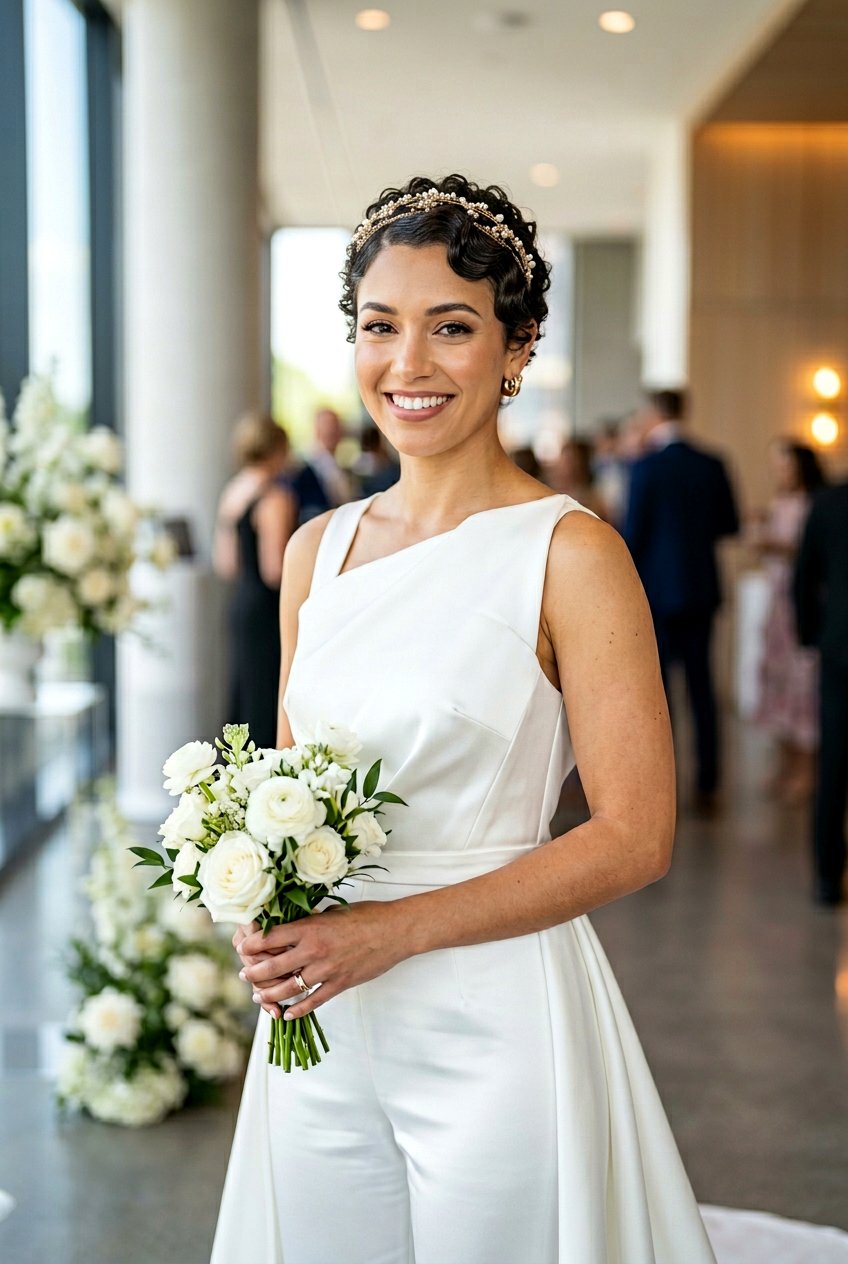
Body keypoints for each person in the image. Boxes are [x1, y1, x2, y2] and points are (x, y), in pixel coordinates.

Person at [212, 174, 716, 1264]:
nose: (409, 363)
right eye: (379, 326)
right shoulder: (316, 551)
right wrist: (260, 897)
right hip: (321, 1013)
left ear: (516, 346)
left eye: (450, 327)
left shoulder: (570, 553)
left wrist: (389, 932)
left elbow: (636, 835)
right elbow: (290, 786)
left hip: (492, 1018)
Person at [623, 389, 739, 812]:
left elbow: (633, 534)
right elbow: (730, 524)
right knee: (702, 689)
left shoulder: (645, 466)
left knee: (659, 694)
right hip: (700, 589)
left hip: (656, 593)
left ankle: (662, 785)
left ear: (656, 414)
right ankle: (708, 784)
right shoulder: (712, 463)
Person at [213, 412, 297, 749]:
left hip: (241, 604)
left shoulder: (234, 492)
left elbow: (226, 564)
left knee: (245, 694)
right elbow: (274, 570)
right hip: (266, 610)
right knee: (266, 699)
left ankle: (237, 772)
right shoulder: (275, 497)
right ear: (276, 449)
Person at [749, 440, 826, 802]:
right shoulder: (781, 502)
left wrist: (775, 545)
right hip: (779, 605)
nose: (780, 473)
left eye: (785, 466)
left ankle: (806, 769)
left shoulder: (814, 504)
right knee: (777, 680)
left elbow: (810, 552)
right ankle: (784, 763)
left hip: (801, 603)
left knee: (802, 685)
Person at [793, 478, 848, 906]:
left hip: (840, 645)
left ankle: (828, 879)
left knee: (833, 763)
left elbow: (803, 578)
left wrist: (811, 635)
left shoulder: (829, 502)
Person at [309, 406, 353, 506]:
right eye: (327, 426)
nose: (332, 430)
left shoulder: (339, 465)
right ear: (317, 430)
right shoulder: (308, 470)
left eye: (336, 426)